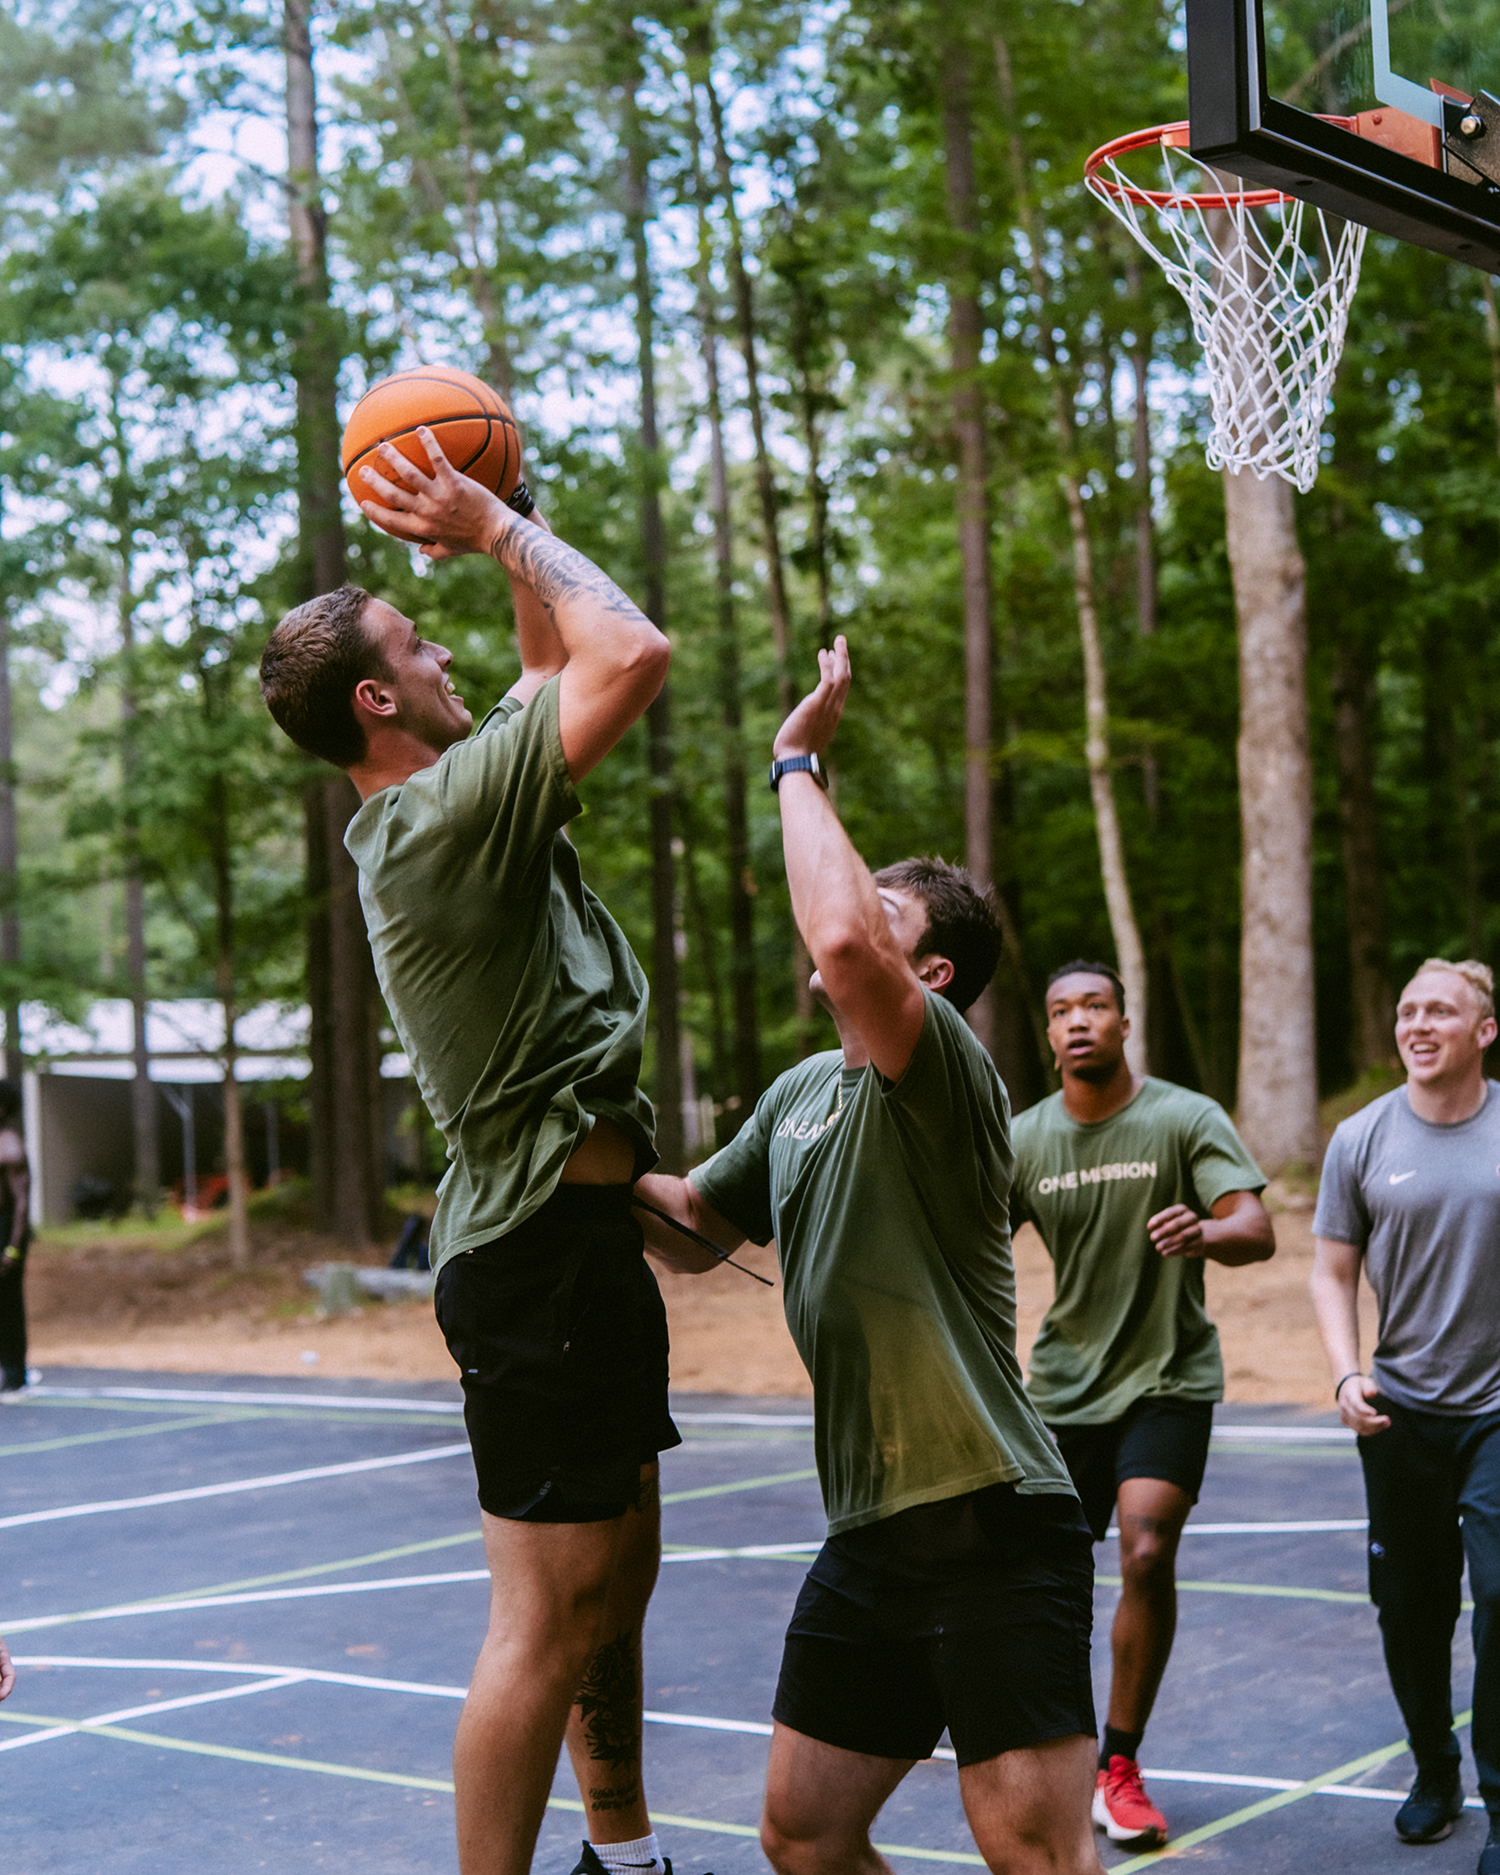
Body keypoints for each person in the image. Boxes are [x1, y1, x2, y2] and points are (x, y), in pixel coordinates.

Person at [259, 428, 683, 1875]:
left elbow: (551, 665)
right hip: (531, 1267)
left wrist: (515, 516)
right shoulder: (436, 821)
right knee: (542, 1618)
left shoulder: (454, 792)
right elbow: (628, 653)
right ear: (376, 699)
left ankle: (624, 1852)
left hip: (584, 1241)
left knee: (617, 1579)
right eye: (415, 642)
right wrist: (498, 526)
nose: (447, 652)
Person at [635, 639, 1105, 1875]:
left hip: (996, 1519)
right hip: (872, 1531)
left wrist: (796, 762)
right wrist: (568, 1143)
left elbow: (847, 946)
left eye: (878, 905)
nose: (838, 909)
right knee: (804, 1837)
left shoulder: (944, 1062)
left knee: (1032, 1854)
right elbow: (692, 1230)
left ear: (931, 973)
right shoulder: (799, 1091)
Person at [1009, 965, 1273, 1849]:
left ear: (1125, 1021)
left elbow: (1255, 1227)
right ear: (1049, 1035)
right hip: (1063, 1388)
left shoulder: (1183, 1117)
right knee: (1041, 1578)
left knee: (1147, 1547)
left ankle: (1117, 1764)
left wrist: (1206, 1230)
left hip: (1168, 1377)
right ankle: (1056, 1749)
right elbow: (967, 1243)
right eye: (1062, 1011)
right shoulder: (1025, 1138)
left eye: (1095, 1005)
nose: (1079, 1021)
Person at [1311, 957, 1500, 1875]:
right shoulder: (1361, 1136)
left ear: (1484, 1030)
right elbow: (1331, 1269)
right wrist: (1347, 1375)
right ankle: (1435, 1767)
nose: (1418, 1024)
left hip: (1496, 1411)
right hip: (1400, 1410)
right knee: (1410, 1610)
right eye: (1407, 1011)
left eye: (1440, 1011)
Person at [0, 1079, 35, 1399]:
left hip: (8, 1230)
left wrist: (12, 1247)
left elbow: (22, 1203)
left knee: (9, 1304)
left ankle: (15, 1375)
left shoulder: (9, 1145)